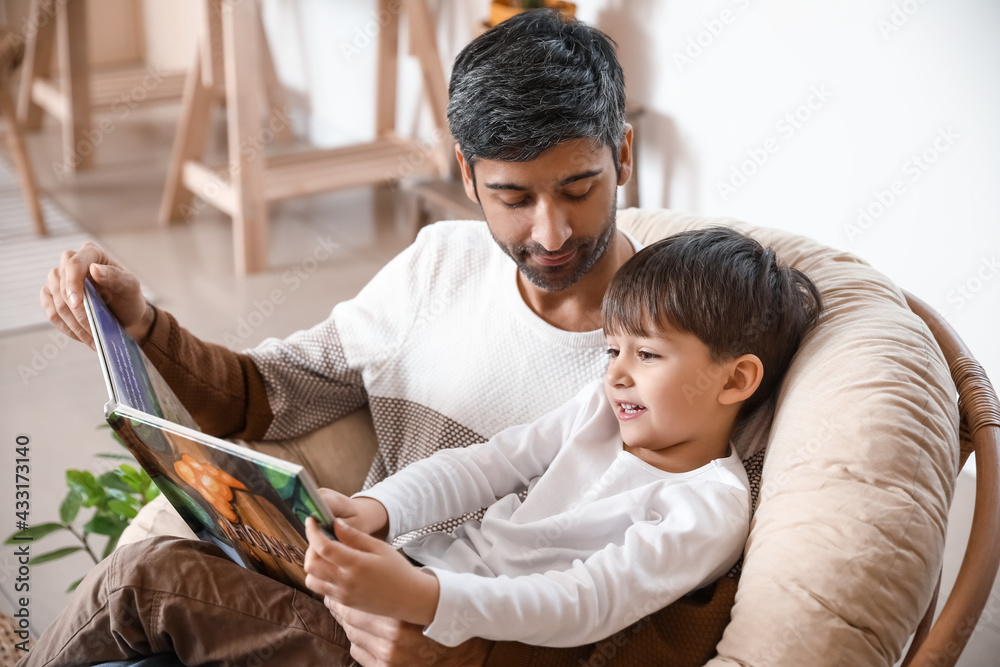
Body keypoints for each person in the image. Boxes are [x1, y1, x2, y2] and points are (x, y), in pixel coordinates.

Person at [22, 8, 735, 667]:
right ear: (467, 174)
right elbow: (262, 395)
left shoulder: (678, 357)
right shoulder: (439, 266)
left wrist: (469, 654)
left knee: (141, 582)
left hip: (431, 641)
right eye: (515, 198)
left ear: (625, 155)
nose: (550, 233)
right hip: (351, 597)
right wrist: (143, 324)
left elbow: (675, 625)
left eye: (579, 188)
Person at [302, 227, 822, 648]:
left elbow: (586, 602)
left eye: (647, 354)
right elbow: (485, 465)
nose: (617, 375)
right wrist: (376, 508)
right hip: (417, 569)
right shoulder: (602, 409)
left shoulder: (708, 508)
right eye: (612, 350)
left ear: (734, 380)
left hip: (460, 627)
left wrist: (425, 597)